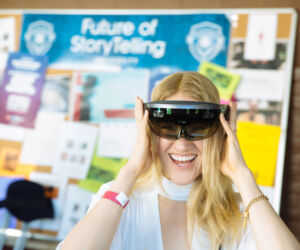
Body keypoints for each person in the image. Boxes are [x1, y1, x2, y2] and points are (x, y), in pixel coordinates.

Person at [58, 72, 300, 250]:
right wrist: (130, 170)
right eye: (168, 127)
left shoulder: (241, 210)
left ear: (219, 133)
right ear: (149, 132)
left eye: (197, 128)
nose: (182, 143)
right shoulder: (120, 199)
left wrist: (241, 174)